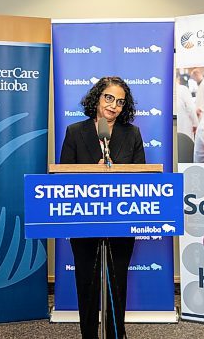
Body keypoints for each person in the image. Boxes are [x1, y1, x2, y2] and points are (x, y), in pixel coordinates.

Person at [60, 76, 145, 339]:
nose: (114, 106)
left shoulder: (131, 133)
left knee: (117, 283)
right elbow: (62, 178)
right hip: (84, 221)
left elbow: (142, 176)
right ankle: (88, 335)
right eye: (109, 98)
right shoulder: (75, 132)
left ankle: (117, 334)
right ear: (97, 98)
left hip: (120, 221)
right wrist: (88, 172)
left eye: (120, 101)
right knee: (86, 283)